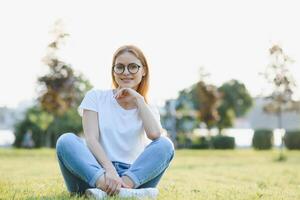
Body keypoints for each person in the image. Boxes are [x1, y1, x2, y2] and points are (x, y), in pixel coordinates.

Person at [55, 45, 175, 198]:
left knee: (166, 144)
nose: (126, 72)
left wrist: (139, 99)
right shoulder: (96, 97)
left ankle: (116, 190)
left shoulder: (147, 108)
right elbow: (91, 139)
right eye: (120, 67)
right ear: (113, 71)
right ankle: (119, 191)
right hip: (95, 173)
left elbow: (154, 134)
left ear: (143, 70)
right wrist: (109, 170)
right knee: (66, 140)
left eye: (133, 67)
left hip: (133, 177)